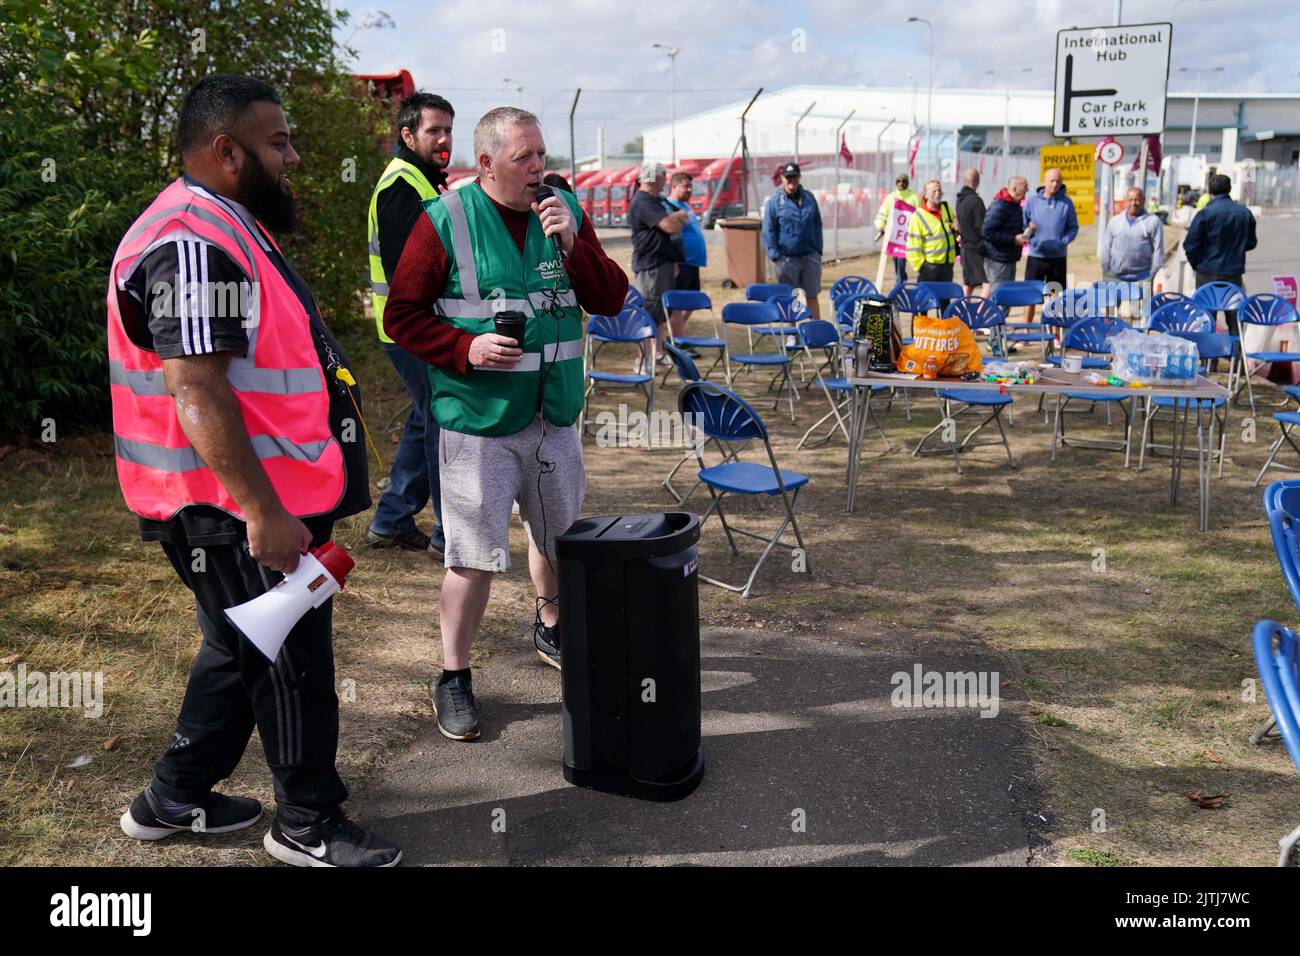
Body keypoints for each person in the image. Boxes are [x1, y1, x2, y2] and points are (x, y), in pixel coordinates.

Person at [108, 75, 400, 867]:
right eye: (279, 143)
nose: (295, 156)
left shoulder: (224, 225)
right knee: (290, 661)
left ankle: (173, 796)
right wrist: (261, 511)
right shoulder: (193, 241)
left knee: (237, 644)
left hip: (247, 501)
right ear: (226, 151)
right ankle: (307, 823)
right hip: (231, 509)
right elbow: (195, 385)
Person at [383, 107, 627, 741]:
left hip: (554, 415)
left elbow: (609, 298)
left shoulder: (564, 212)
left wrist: (575, 245)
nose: (539, 169)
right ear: (486, 164)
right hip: (479, 420)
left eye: (542, 156)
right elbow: (401, 317)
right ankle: (454, 676)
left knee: (558, 541)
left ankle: (551, 626)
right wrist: (465, 348)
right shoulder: (446, 221)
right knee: (473, 556)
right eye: (525, 159)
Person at [366, 92, 454, 558]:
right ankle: (447, 534)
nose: (443, 140)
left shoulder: (423, 179)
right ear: (407, 135)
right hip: (412, 330)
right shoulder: (403, 185)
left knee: (427, 420)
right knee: (444, 422)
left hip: (411, 329)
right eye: (433, 131)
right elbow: (411, 270)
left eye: (448, 130)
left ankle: (393, 519)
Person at [1183, 173, 1258, 336]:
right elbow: (1251, 243)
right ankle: (1236, 357)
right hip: (1233, 273)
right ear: (1230, 189)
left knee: (1206, 316)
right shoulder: (1244, 213)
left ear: (1210, 190)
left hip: (1207, 273)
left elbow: (1190, 245)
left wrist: (1197, 265)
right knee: (1234, 317)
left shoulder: (1205, 214)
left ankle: (1210, 358)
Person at [628, 160, 689, 354]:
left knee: (661, 314)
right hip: (651, 266)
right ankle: (644, 357)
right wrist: (678, 217)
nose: (666, 180)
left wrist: (677, 217)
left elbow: (679, 219)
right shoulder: (643, 201)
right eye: (663, 176)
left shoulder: (656, 200)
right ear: (655, 178)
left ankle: (659, 353)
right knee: (649, 313)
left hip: (663, 263)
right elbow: (670, 226)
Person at [762, 161, 824, 320]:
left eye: (794, 177)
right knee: (791, 297)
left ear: (799, 178)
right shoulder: (774, 202)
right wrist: (776, 256)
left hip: (810, 256)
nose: (791, 182)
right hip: (787, 258)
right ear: (782, 178)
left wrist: (818, 250)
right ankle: (792, 334)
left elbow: (817, 223)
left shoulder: (809, 198)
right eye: (788, 178)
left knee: (811, 295)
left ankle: (816, 329)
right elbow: (768, 230)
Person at [1021, 167, 1079, 324]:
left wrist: (1062, 242)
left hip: (1057, 257)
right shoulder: (1032, 201)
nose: (1055, 184)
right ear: (1044, 181)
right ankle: (1027, 330)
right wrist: (1032, 240)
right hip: (1036, 256)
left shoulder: (1066, 203)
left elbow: (1073, 227)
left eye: (1058, 181)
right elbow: (1023, 225)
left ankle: (1055, 333)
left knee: (1056, 296)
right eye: (1052, 180)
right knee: (1030, 295)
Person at [664, 170, 707, 353]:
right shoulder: (670, 206)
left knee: (692, 302)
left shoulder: (685, 205)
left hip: (693, 263)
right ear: (673, 186)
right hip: (681, 263)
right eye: (685, 186)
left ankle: (673, 336)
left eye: (691, 186)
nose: (690, 189)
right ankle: (679, 344)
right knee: (678, 304)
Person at [1100, 187, 1164, 282]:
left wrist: (1151, 275)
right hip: (1115, 278)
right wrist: (1106, 271)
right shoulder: (1115, 221)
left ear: (1143, 200)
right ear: (1125, 201)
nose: (1133, 203)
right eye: (1130, 200)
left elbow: (1159, 250)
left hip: (1142, 278)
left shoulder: (1153, 221)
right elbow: (1106, 248)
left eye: (1137, 200)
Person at [905, 178, 958, 283]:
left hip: (947, 266)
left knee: (944, 298)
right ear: (925, 195)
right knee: (927, 299)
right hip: (929, 268)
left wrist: (956, 228)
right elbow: (912, 247)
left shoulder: (947, 208)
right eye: (933, 191)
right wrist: (922, 267)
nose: (937, 193)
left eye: (939, 190)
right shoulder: (918, 216)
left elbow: (953, 230)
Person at [980, 175, 1027, 292]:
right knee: (999, 297)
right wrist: (1013, 239)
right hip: (997, 259)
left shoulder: (1015, 205)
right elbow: (987, 231)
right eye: (1025, 188)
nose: (1027, 191)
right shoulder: (1000, 206)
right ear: (1015, 189)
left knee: (1007, 297)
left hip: (1009, 257)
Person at [874, 173, 919, 287]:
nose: (901, 184)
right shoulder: (891, 198)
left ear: (907, 183)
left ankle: (899, 281)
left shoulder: (913, 198)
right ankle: (901, 276)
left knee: (901, 257)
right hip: (894, 234)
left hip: (907, 235)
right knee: (896, 258)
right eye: (898, 181)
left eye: (903, 181)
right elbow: (883, 213)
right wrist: (880, 226)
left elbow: (919, 214)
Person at [955, 169, 988, 297]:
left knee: (968, 283)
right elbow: (982, 227)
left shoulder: (960, 200)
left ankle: (964, 308)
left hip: (964, 247)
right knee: (987, 284)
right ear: (978, 182)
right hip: (975, 248)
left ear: (964, 181)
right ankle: (980, 312)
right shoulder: (975, 201)